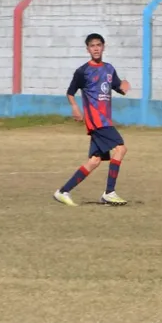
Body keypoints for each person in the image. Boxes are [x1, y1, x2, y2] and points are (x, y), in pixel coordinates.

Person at [53, 33, 131, 207]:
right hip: (97, 121)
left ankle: (63, 191)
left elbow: (118, 87)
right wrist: (75, 107)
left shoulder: (109, 69)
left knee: (94, 161)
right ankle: (109, 192)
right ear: (87, 49)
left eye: (98, 45)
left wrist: (124, 87)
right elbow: (70, 92)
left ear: (104, 47)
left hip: (104, 120)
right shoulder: (83, 71)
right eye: (92, 46)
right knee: (121, 148)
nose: (96, 48)